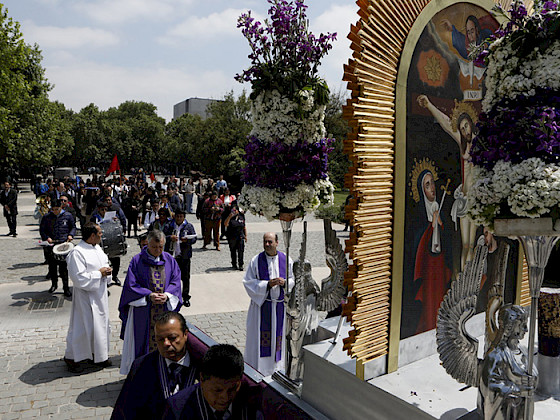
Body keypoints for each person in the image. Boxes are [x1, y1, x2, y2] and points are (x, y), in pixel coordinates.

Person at [118, 230, 183, 375]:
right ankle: (142, 374)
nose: (158, 250)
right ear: (147, 243)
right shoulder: (137, 260)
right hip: (143, 311)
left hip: (164, 309)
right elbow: (131, 285)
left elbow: (176, 280)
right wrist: (148, 295)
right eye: (154, 247)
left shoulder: (169, 259)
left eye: (161, 247)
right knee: (142, 344)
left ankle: (165, 372)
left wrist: (167, 295)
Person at [111, 312, 198, 420]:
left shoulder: (201, 366)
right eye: (160, 339)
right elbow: (125, 410)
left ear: (185, 334)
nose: (166, 343)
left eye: (172, 338)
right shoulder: (142, 366)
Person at [163, 344, 261, 420]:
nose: (225, 398)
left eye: (232, 389)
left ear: (239, 383)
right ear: (202, 379)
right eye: (217, 390)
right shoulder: (178, 410)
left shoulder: (251, 406)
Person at [64, 222, 113, 373]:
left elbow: (104, 261)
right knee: (83, 327)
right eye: (99, 233)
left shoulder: (96, 247)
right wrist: (99, 274)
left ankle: (98, 355)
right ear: (92, 235)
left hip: (99, 295)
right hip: (85, 297)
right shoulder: (77, 253)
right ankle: (72, 357)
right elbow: (78, 278)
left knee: (100, 325)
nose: (101, 235)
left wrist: (107, 270)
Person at [243, 232, 294, 376]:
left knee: (279, 338)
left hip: (280, 307)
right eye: (265, 241)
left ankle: (278, 368)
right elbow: (248, 282)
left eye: (270, 242)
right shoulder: (256, 260)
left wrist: (285, 283)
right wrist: (267, 285)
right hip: (261, 308)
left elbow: (293, 279)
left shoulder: (286, 259)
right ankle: (260, 369)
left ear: (277, 242)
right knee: (262, 340)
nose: (267, 244)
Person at [413, 170, 452, 334]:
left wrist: (441, 224)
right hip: (429, 267)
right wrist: (431, 226)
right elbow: (417, 241)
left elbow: (449, 240)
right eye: (427, 185)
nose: (432, 188)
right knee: (430, 300)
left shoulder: (440, 210)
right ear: (422, 190)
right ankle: (429, 327)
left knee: (441, 299)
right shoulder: (420, 213)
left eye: (432, 183)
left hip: (440, 265)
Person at [40, 199, 76, 297]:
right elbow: (42, 230)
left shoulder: (68, 216)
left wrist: (71, 235)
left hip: (63, 245)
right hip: (52, 245)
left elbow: (73, 227)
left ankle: (66, 287)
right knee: (52, 267)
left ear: (61, 207)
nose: (55, 211)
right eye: (53, 209)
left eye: (57, 209)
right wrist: (47, 238)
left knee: (64, 268)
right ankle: (54, 284)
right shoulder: (47, 217)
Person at [163, 209, 197, 306]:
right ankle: (172, 295)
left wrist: (187, 240)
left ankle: (185, 296)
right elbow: (163, 236)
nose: (179, 218)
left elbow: (194, 238)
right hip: (172, 256)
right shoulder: (169, 225)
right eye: (177, 216)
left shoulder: (189, 226)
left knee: (185, 277)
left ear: (184, 217)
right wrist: (170, 238)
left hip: (184, 255)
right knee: (171, 277)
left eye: (181, 217)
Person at [225, 203, 247, 271]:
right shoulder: (230, 217)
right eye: (232, 210)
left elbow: (244, 227)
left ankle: (241, 264)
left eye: (235, 210)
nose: (234, 212)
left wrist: (245, 236)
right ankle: (234, 264)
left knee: (241, 251)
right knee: (233, 250)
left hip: (240, 236)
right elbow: (225, 224)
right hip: (232, 236)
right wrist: (229, 217)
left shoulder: (241, 216)